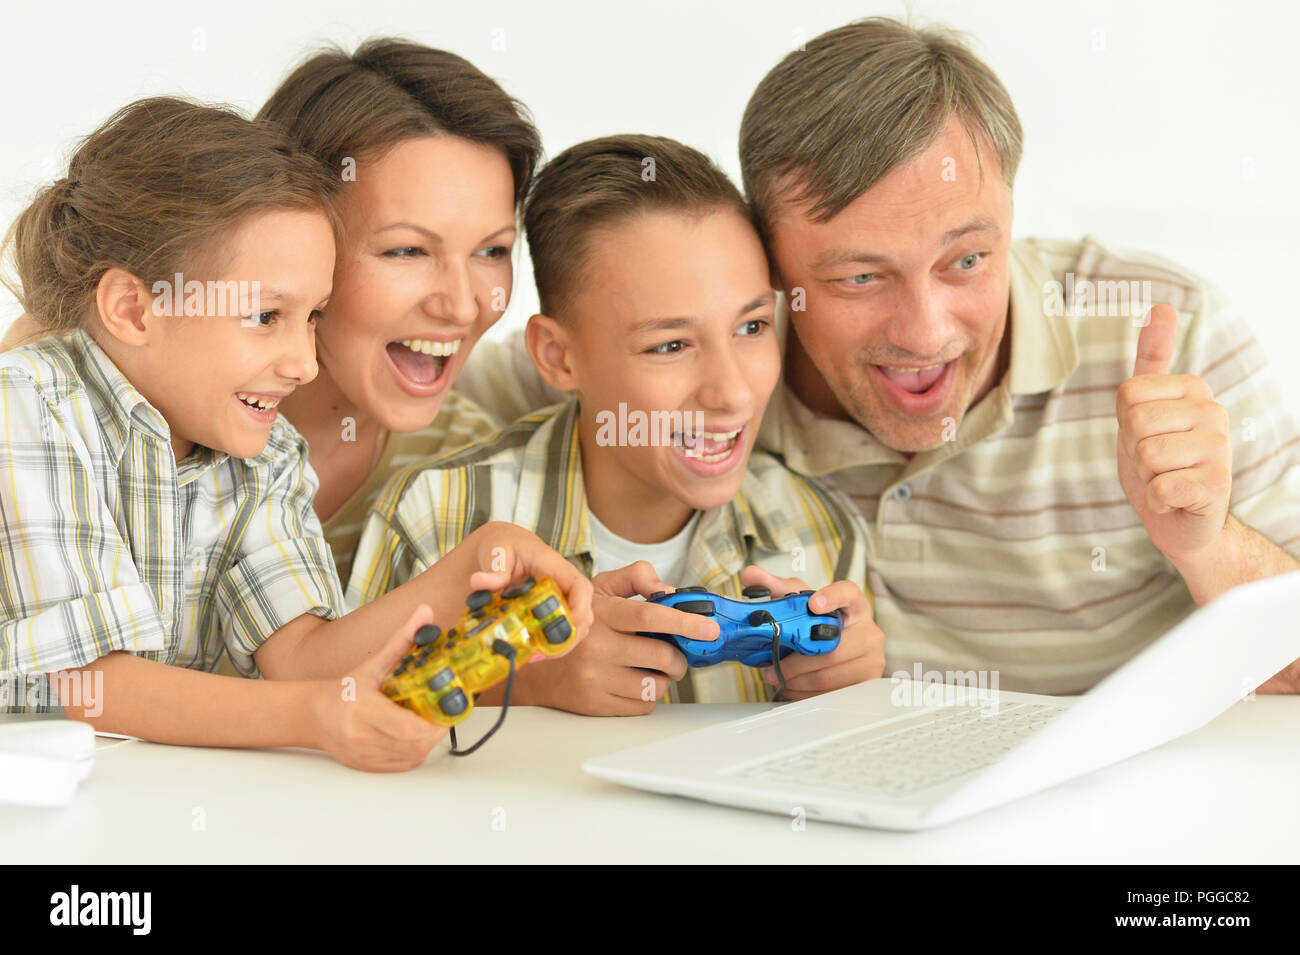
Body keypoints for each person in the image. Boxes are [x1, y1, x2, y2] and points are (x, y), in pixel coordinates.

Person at [455, 18, 1300, 695]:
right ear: (773, 266)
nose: (927, 332)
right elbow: (405, 422)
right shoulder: (712, 362)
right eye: (861, 276)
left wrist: (1209, 544)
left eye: (967, 260)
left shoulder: (1168, 336)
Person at [0, 97, 592, 770]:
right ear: (134, 308)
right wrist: (317, 715)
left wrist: (472, 565)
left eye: (312, 315)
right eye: (264, 316)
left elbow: (302, 655)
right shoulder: (33, 403)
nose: (304, 363)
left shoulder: (265, 450)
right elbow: (92, 685)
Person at [349, 135, 884, 712]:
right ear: (558, 357)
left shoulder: (822, 533)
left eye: (752, 327)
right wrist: (525, 686)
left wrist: (855, 695)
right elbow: (353, 738)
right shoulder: (436, 519)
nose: (731, 393)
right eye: (671, 344)